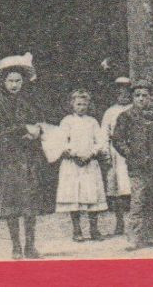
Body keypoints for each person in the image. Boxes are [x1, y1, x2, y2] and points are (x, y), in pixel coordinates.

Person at [0, 53, 45, 260]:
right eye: (10, 81)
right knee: (12, 206)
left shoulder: (27, 102)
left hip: (28, 159)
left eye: (18, 81)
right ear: (3, 82)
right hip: (9, 159)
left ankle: (30, 245)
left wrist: (36, 132)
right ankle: (16, 246)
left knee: (29, 205)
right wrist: (23, 129)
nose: (14, 85)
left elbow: (37, 125)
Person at [110, 81, 153, 250]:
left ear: (150, 97)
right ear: (132, 97)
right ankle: (134, 237)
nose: (141, 99)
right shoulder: (126, 116)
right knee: (138, 200)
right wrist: (129, 154)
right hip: (137, 165)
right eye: (137, 95)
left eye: (145, 95)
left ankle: (148, 235)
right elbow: (118, 139)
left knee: (151, 198)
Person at [51, 88, 110, 242]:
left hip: (89, 162)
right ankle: (77, 230)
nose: (81, 107)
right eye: (78, 104)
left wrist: (91, 153)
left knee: (92, 195)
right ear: (72, 105)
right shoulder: (67, 121)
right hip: (73, 164)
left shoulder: (93, 122)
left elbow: (101, 141)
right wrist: (74, 154)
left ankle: (94, 229)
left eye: (84, 104)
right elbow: (61, 142)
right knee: (75, 195)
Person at [99, 77, 135, 236]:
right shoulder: (110, 112)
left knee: (133, 187)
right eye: (120, 92)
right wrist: (105, 153)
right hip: (116, 155)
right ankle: (119, 222)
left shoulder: (135, 108)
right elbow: (104, 135)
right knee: (117, 189)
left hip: (133, 152)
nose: (123, 95)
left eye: (127, 92)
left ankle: (134, 222)